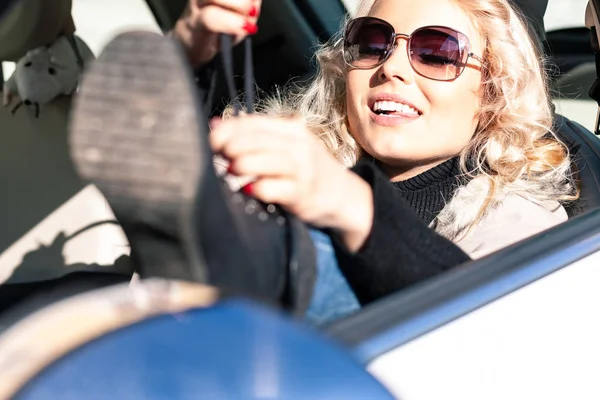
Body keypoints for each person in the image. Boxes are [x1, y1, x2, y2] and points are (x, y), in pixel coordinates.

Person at [67, 0, 577, 326]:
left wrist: (353, 206)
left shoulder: (524, 223)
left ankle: (254, 257)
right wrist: (191, 52)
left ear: (491, 92)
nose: (391, 68)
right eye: (372, 43)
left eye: (437, 52)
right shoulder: (298, 156)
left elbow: (485, 343)